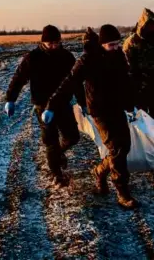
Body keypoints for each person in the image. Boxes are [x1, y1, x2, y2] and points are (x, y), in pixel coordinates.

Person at [42, 25, 139, 209]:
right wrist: (51, 106)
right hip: (100, 111)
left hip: (117, 108)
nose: (116, 47)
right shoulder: (88, 60)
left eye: (118, 44)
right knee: (117, 149)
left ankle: (99, 172)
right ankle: (123, 193)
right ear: (102, 44)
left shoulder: (119, 57)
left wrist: (132, 103)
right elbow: (69, 82)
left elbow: (126, 82)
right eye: (112, 45)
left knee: (124, 146)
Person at [4, 25, 86, 188]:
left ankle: (59, 154)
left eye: (57, 43)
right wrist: (11, 99)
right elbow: (19, 78)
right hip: (42, 105)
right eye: (51, 44)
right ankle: (57, 174)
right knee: (50, 141)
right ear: (43, 43)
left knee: (72, 137)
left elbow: (76, 82)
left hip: (63, 103)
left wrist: (82, 102)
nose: (55, 46)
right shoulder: (33, 58)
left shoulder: (67, 57)